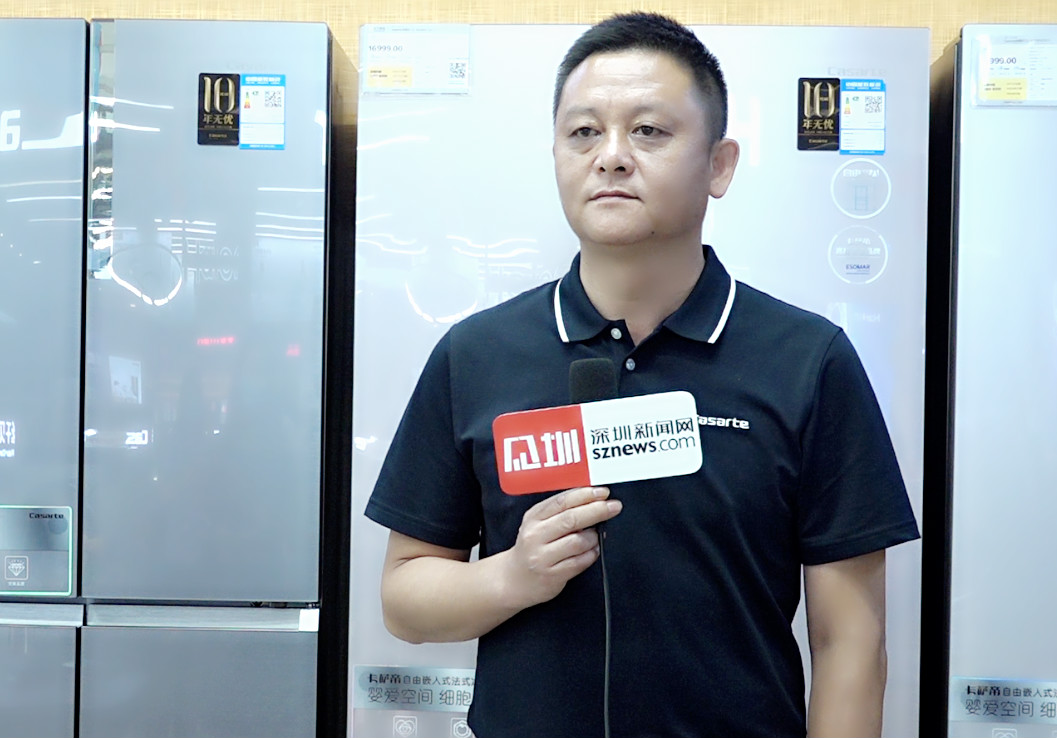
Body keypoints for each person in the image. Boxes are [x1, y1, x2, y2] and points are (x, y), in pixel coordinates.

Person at [366, 12, 919, 737]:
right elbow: (404, 598)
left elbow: (851, 641)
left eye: (649, 131)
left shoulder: (808, 361)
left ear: (719, 165)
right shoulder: (475, 354)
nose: (611, 157)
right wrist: (511, 575)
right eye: (583, 132)